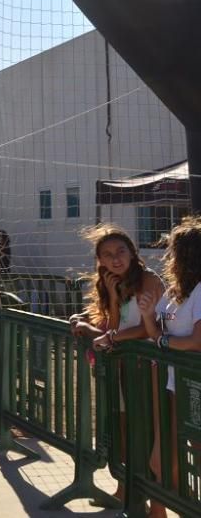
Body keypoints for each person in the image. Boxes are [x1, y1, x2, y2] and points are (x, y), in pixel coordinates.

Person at [69, 224, 162, 504]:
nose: (115, 258)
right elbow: (113, 327)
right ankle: (124, 489)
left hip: (148, 369)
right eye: (107, 254)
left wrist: (110, 337)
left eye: (121, 251)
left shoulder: (149, 279)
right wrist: (104, 304)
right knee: (121, 428)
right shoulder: (111, 282)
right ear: (100, 260)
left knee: (144, 431)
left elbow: (150, 329)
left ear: (133, 253)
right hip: (122, 367)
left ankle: (149, 497)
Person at [139, 215, 201, 517]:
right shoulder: (175, 292)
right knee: (164, 455)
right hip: (173, 382)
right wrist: (149, 316)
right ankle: (161, 509)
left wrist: (163, 344)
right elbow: (157, 334)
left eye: (174, 250)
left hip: (192, 382)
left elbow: (194, 341)